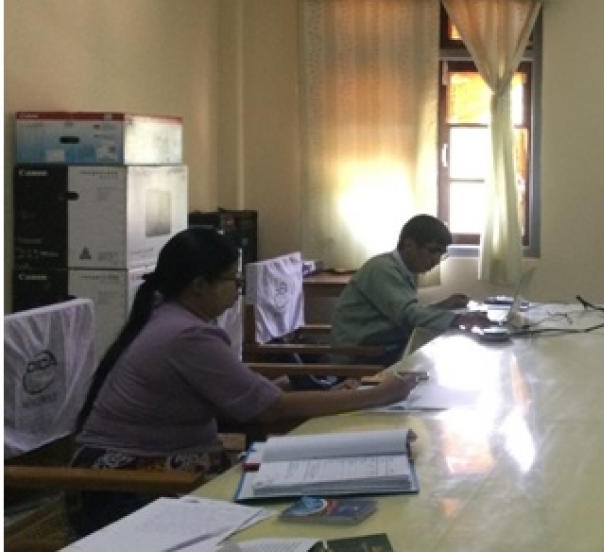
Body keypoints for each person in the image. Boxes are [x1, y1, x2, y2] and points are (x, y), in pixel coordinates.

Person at [71, 227, 417, 535]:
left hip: (150, 466)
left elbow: (242, 394)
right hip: (128, 483)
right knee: (288, 515)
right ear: (199, 285)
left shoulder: (171, 317)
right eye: (233, 280)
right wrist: (379, 395)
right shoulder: (187, 334)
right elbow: (271, 410)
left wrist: (298, 390)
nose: (238, 290)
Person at [331, 214, 492, 363]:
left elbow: (403, 312)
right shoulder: (382, 269)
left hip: (381, 347)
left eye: (441, 254)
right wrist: (459, 319)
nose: (436, 260)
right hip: (362, 356)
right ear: (409, 245)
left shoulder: (402, 269)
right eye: (432, 251)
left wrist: (441, 306)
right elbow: (407, 315)